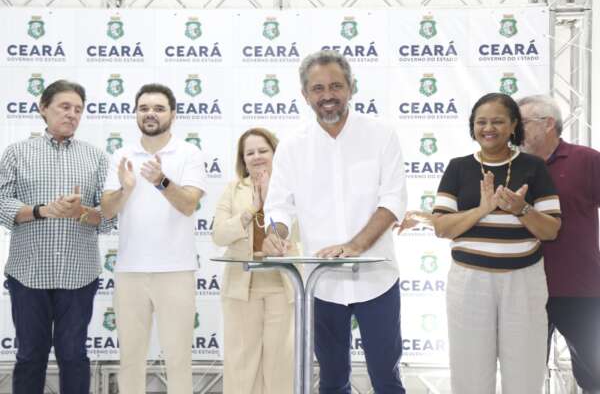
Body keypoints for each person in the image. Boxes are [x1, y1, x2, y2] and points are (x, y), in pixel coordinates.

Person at [262, 50, 408, 394]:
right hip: (321, 283)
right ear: (305, 94)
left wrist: (355, 245)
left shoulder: (381, 135)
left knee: (386, 377)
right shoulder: (292, 146)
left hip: (377, 278)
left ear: (351, 87)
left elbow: (393, 200)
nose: (327, 95)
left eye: (335, 86)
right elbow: (279, 207)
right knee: (331, 379)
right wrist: (275, 234)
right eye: (318, 88)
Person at [432, 92, 561, 393]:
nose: (488, 128)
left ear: (514, 125)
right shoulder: (458, 167)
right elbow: (441, 227)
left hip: (523, 281)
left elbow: (551, 230)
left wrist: (521, 209)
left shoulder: (534, 167)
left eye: (498, 121)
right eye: (481, 122)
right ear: (472, 126)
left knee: (525, 371)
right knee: (470, 373)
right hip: (469, 282)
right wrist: (482, 210)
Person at [0, 79, 114, 394]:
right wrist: (43, 211)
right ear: (43, 108)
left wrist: (80, 213)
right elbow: (2, 202)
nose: (72, 114)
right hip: (28, 273)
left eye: (78, 109)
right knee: (29, 357)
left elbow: (107, 217)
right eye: (65, 107)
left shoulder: (96, 158)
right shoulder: (16, 153)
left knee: (74, 356)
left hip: (79, 275)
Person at [100, 83, 206, 394]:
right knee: (130, 359)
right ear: (135, 113)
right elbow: (107, 210)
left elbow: (188, 204)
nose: (150, 113)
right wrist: (125, 189)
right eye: (144, 108)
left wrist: (161, 181)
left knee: (178, 359)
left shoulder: (189, 153)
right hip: (130, 271)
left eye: (159, 108)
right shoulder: (121, 154)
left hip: (176, 270)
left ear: (173, 114)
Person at [518, 94, 600, 394]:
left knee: (594, 373)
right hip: (524, 287)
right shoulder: (511, 167)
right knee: (523, 376)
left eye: (522, 123)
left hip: (579, 287)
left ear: (548, 123)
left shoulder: (587, 160)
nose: (515, 131)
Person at [213, 127, 298, 394]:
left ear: (275, 153)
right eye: (250, 153)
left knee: (280, 366)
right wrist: (253, 207)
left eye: (263, 150)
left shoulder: (292, 188)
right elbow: (219, 235)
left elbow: (302, 235)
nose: (257, 157)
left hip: (282, 287)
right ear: (243, 159)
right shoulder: (233, 189)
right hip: (242, 289)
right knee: (241, 365)